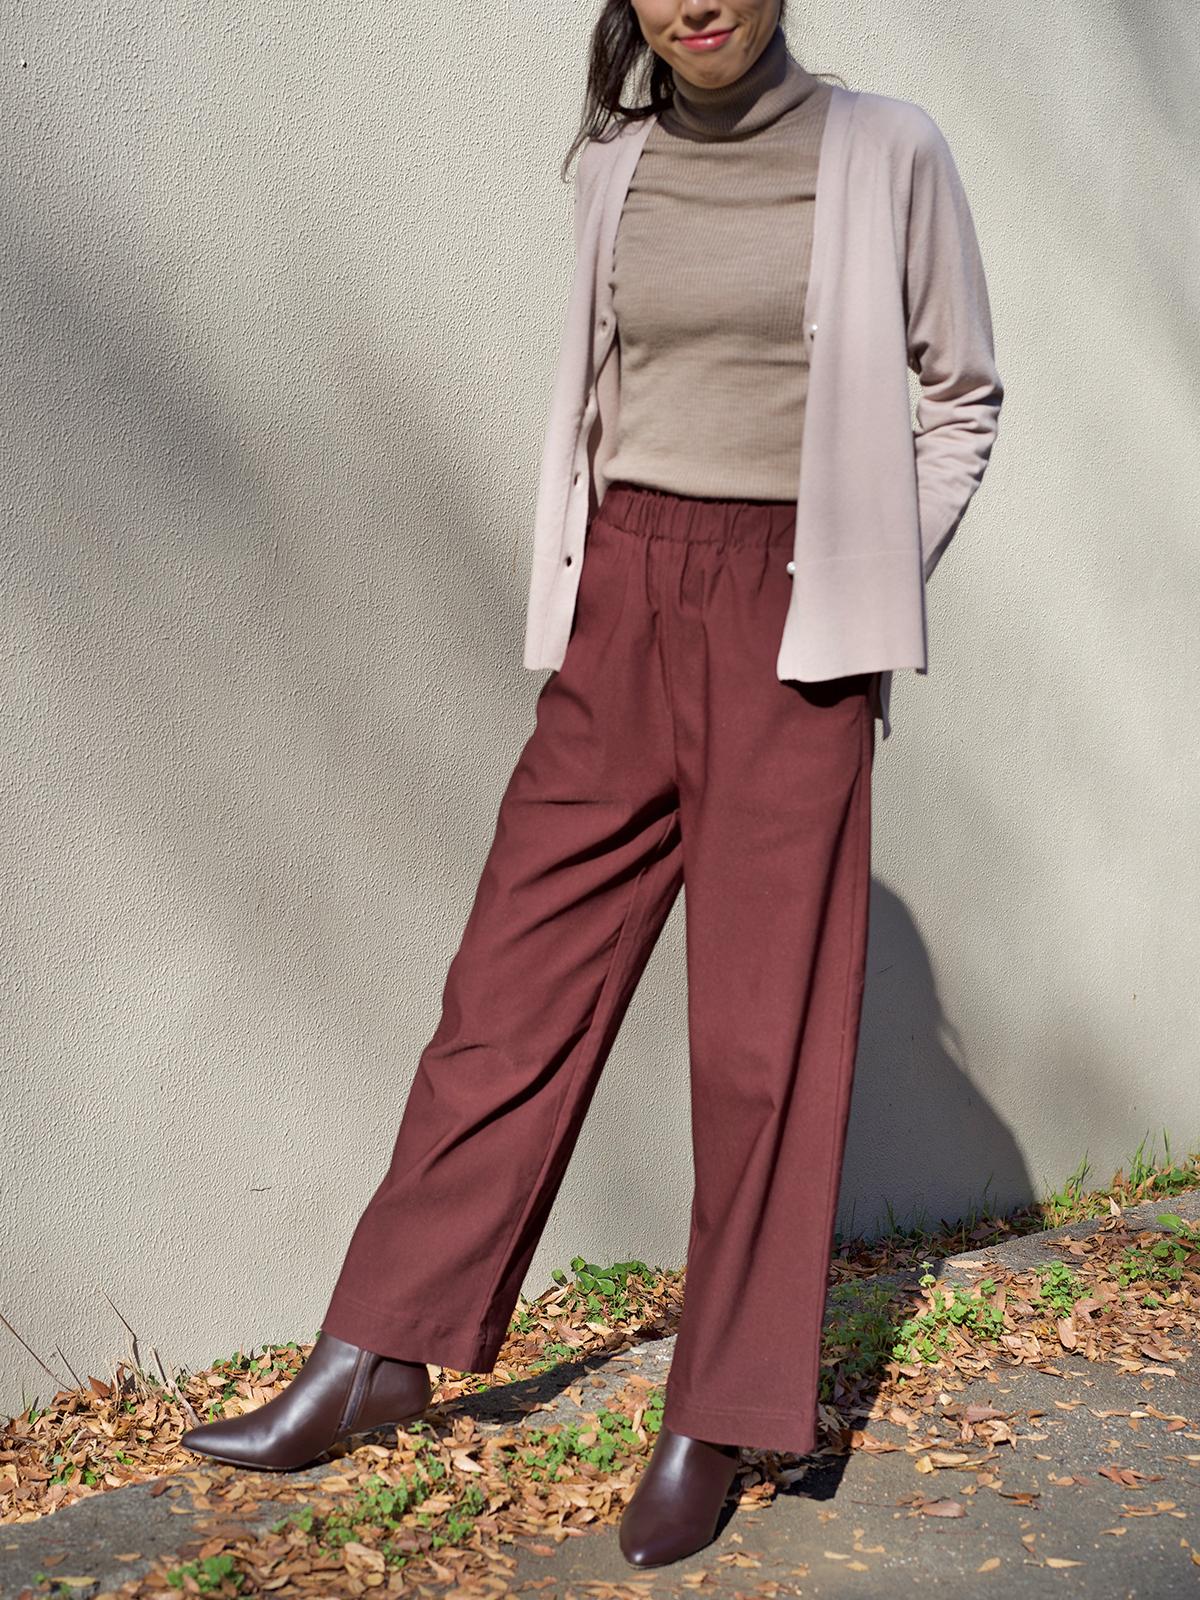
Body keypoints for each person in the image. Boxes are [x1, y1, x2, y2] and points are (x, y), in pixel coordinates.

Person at [180, 0, 1003, 1571]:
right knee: (509, 983)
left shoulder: (887, 150)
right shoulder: (616, 164)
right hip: (626, 593)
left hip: (794, 619)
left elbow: (961, 396)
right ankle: (375, 1349)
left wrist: (867, 581)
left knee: (759, 1047)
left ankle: (721, 1414)